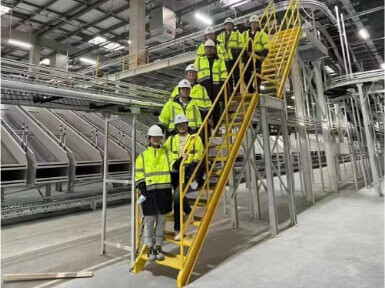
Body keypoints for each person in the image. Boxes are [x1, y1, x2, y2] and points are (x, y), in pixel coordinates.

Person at [135, 125, 174, 261]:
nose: (156, 139)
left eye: (159, 137)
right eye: (154, 137)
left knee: (161, 222)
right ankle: (150, 248)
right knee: (149, 222)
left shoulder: (167, 153)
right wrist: (142, 187)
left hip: (164, 192)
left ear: (161, 139)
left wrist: (181, 160)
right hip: (149, 193)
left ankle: (158, 247)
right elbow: (138, 173)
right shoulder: (143, 156)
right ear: (149, 139)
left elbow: (174, 164)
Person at [163, 114, 204, 241]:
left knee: (177, 197)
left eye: (183, 124)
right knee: (178, 196)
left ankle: (178, 229)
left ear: (187, 124)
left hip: (187, 171)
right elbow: (165, 155)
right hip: (174, 172)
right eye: (179, 124)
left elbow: (198, 157)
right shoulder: (170, 140)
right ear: (175, 126)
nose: (181, 126)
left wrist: (193, 173)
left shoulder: (195, 138)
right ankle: (189, 212)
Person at [194, 39, 228, 127]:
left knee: (215, 105)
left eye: (211, 48)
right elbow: (194, 72)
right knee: (205, 106)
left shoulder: (220, 60)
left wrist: (222, 84)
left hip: (216, 86)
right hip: (203, 86)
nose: (209, 50)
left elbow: (224, 73)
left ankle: (217, 125)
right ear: (204, 49)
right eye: (207, 48)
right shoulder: (199, 60)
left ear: (214, 49)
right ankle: (206, 126)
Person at [243, 15, 270, 93]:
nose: (254, 24)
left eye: (255, 23)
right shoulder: (245, 34)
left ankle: (258, 90)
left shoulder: (262, 34)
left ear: (258, 24)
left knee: (257, 74)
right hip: (247, 56)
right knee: (246, 74)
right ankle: (251, 90)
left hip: (257, 56)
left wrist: (263, 55)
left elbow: (266, 46)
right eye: (252, 23)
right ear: (250, 24)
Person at [217, 17, 244, 89]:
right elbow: (218, 47)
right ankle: (231, 89)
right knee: (227, 75)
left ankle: (237, 90)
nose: (228, 26)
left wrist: (237, 53)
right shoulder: (219, 36)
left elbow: (242, 46)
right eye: (227, 24)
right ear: (224, 26)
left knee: (236, 74)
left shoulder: (238, 35)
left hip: (235, 57)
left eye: (230, 24)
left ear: (233, 26)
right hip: (224, 59)